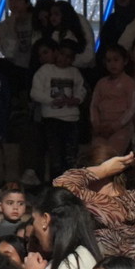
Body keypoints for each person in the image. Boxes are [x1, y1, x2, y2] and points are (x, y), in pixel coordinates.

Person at [53, 149, 135, 259]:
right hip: (128, 268)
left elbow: (61, 185)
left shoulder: (105, 206)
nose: (85, 186)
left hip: (103, 268)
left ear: (99, 178)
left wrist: (103, 169)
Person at [24, 186, 101, 269]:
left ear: (45, 220)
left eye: (34, 219)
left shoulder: (76, 262)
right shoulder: (64, 259)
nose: (33, 228)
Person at [31, 37, 86, 177]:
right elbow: (35, 93)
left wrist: (77, 99)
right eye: (62, 54)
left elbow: (81, 90)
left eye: (68, 57)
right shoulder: (45, 70)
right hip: (52, 119)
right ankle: (55, 184)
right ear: (57, 52)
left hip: (72, 119)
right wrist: (52, 101)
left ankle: (69, 184)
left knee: (70, 156)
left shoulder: (75, 73)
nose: (64, 59)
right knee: (55, 156)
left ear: (73, 59)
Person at [90, 45, 135, 153]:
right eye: (109, 61)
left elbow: (132, 108)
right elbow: (94, 105)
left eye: (116, 60)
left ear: (125, 61)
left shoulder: (129, 83)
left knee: (113, 154)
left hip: (121, 127)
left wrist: (115, 126)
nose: (112, 64)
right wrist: (96, 124)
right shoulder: (101, 83)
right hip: (101, 126)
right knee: (97, 155)